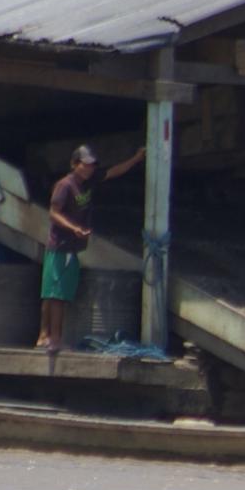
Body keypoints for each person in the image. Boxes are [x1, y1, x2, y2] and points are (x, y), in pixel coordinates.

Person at [37, 143, 145, 351]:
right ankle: (51, 338)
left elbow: (114, 172)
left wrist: (136, 159)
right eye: (85, 165)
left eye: (92, 165)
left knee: (59, 293)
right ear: (74, 164)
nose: (89, 169)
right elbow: (53, 213)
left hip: (72, 248)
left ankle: (47, 337)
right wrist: (74, 228)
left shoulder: (89, 181)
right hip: (59, 246)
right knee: (55, 293)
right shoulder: (65, 185)